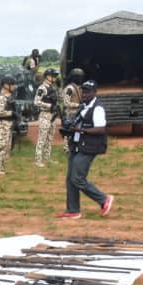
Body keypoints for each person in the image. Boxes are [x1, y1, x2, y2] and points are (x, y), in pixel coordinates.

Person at [56, 81, 113, 220]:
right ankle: (73, 210)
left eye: (88, 92)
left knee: (78, 178)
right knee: (70, 179)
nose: (85, 94)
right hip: (76, 145)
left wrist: (80, 130)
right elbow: (76, 123)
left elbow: (100, 129)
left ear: (95, 92)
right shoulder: (83, 107)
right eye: (83, 91)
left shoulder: (98, 108)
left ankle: (104, 199)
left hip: (89, 147)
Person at [33, 68, 59, 168]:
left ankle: (47, 158)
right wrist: (49, 106)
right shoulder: (42, 88)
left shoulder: (52, 88)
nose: (55, 78)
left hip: (52, 115)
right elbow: (36, 102)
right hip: (45, 115)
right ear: (48, 76)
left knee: (50, 137)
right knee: (42, 138)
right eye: (53, 76)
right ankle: (38, 160)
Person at [0, 76, 18, 175]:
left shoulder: (9, 97)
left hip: (8, 124)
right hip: (3, 124)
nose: (14, 87)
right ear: (6, 85)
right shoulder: (2, 98)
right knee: (1, 146)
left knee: (7, 147)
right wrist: (11, 113)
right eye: (12, 85)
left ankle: (2, 167)